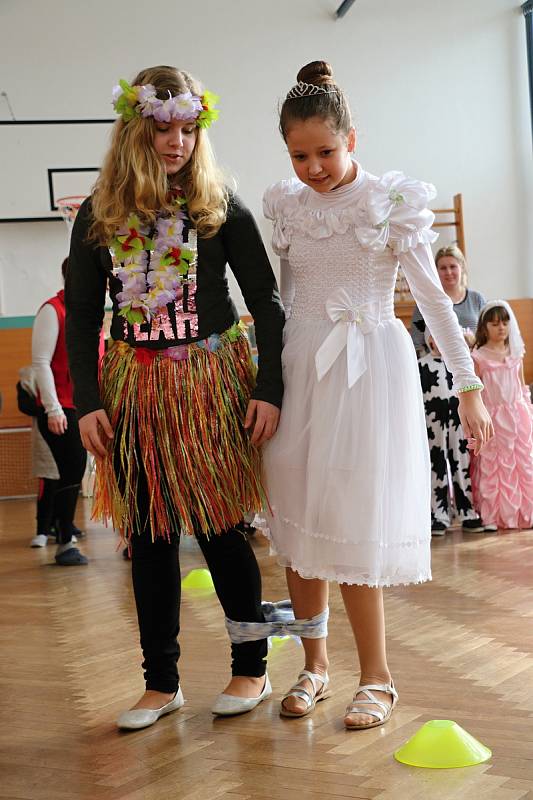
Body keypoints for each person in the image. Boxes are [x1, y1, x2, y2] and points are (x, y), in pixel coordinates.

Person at [260, 61, 492, 730]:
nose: (312, 167)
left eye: (325, 152)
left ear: (350, 139)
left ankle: (377, 677)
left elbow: (433, 302)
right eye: (299, 155)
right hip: (301, 365)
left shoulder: (389, 203)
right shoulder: (286, 205)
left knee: (353, 520)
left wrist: (467, 383)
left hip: (369, 369)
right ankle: (313, 666)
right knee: (297, 521)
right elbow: (281, 301)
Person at [65, 66, 284, 730]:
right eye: (164, 129)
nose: (177, 142)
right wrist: (88, 403)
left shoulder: (220, 205)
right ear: (137, 129)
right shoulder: (99, 213)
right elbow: (80, 318)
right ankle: (160, 684)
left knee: (219, 527)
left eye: (189, 129)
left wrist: (269, 389)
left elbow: (267, 307)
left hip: (209, 383)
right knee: (151, 533)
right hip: (134, 389)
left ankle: (251, 670)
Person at [32, 258, 88, 565]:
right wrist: (53, 409)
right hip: (61, 408)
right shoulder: (52, 310)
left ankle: (64, 531)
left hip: (82, 407)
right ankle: (64, 540)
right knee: (72, 469)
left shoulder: (86, 313)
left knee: (74, 470)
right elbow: (41, 362)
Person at [418, 330, 492, 535]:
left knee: (461, 464)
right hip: (432, 426)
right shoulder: (421, 365)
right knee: (436, 466)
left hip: (459, 424)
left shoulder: (458, 366)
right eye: (433, 336)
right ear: (429, 340)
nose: (438, 340)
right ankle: (439, 513)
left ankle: (466, 511)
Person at [471, 302, 533, 530]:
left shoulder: (515, 353)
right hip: (493, 418)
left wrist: (528, 411)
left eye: (505, 323)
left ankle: (524, 514)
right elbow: (476, 393)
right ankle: (496, 516)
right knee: (495, 465)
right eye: (495, 324)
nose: (501, 328)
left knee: (521, 464)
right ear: (484, 327)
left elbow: (522, 386)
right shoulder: (478, 357)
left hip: (518, 418)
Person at [410, 245, 486, 355]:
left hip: (475, 364)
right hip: (436, 367)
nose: (448, 272)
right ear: (436, 271)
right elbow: (417, 345)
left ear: (462, 267)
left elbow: (488, 339)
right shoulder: (426, 303)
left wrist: (472, 341)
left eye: (453, 266)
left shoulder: (477, 299)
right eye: (443, 268)